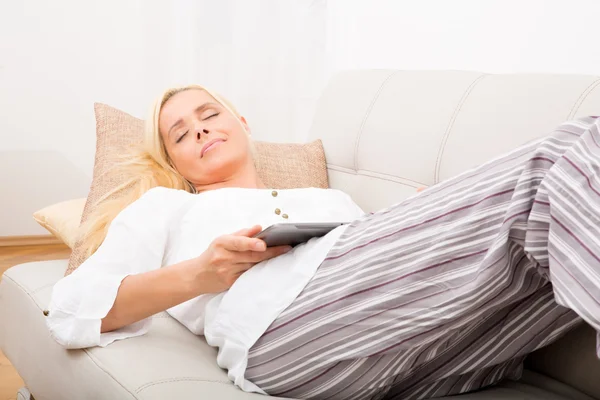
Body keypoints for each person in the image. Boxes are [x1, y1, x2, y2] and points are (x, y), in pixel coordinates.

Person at [46, 85, 600, 400]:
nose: (200, 131)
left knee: (561, 201)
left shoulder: (326, 200)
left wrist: (437, 217)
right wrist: (199, 275)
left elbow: (380, 272)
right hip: (286, 337)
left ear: (240, 120)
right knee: (566, 152)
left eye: (208, 114)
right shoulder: (170, 208)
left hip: (424, 356)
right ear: (176, 163)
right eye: (181, 134)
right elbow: (73, 311)